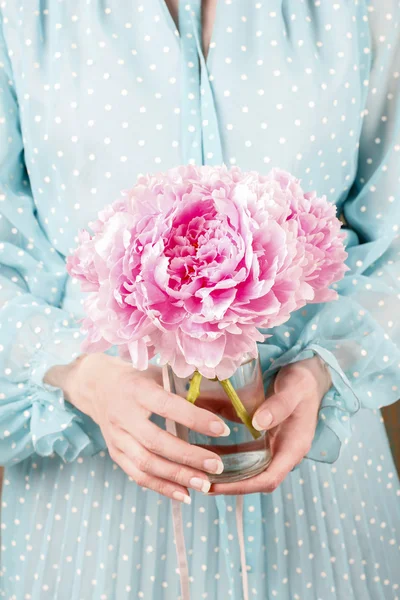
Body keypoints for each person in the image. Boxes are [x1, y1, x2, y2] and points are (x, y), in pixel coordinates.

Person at [0, 1, 399, 598]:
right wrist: (79, 374)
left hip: (321, 497)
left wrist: (325, 372)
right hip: (92, 520)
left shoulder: (366, 9)